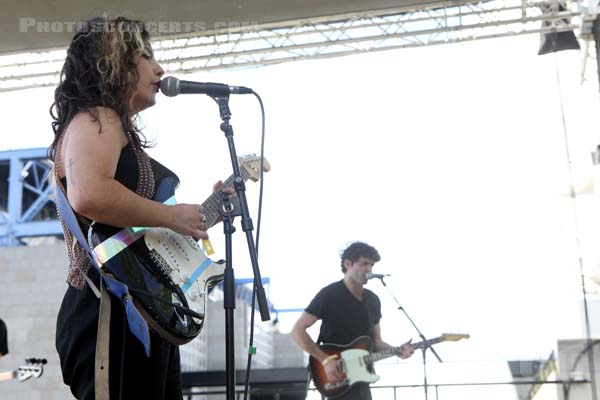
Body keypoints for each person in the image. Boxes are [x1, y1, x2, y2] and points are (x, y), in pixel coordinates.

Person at [48, 16, 225, 400]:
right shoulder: (97, 118)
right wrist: (174, 216)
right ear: (111, 62)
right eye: (145, 56)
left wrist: (206, 211)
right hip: (106, 308)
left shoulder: (116, 129)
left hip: (143, 308)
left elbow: (145, 237)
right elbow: (90, 195)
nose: (159, 68)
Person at [291, 241, 415, 399]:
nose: (369, 269)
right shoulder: (329, 295)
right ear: (348, 264)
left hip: (362, 378)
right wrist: (326, 360)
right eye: (364, 263)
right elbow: (297, 331)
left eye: (372, 265)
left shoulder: (373, 300)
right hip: (335, 377)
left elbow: (376, 342)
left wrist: (398, 351)